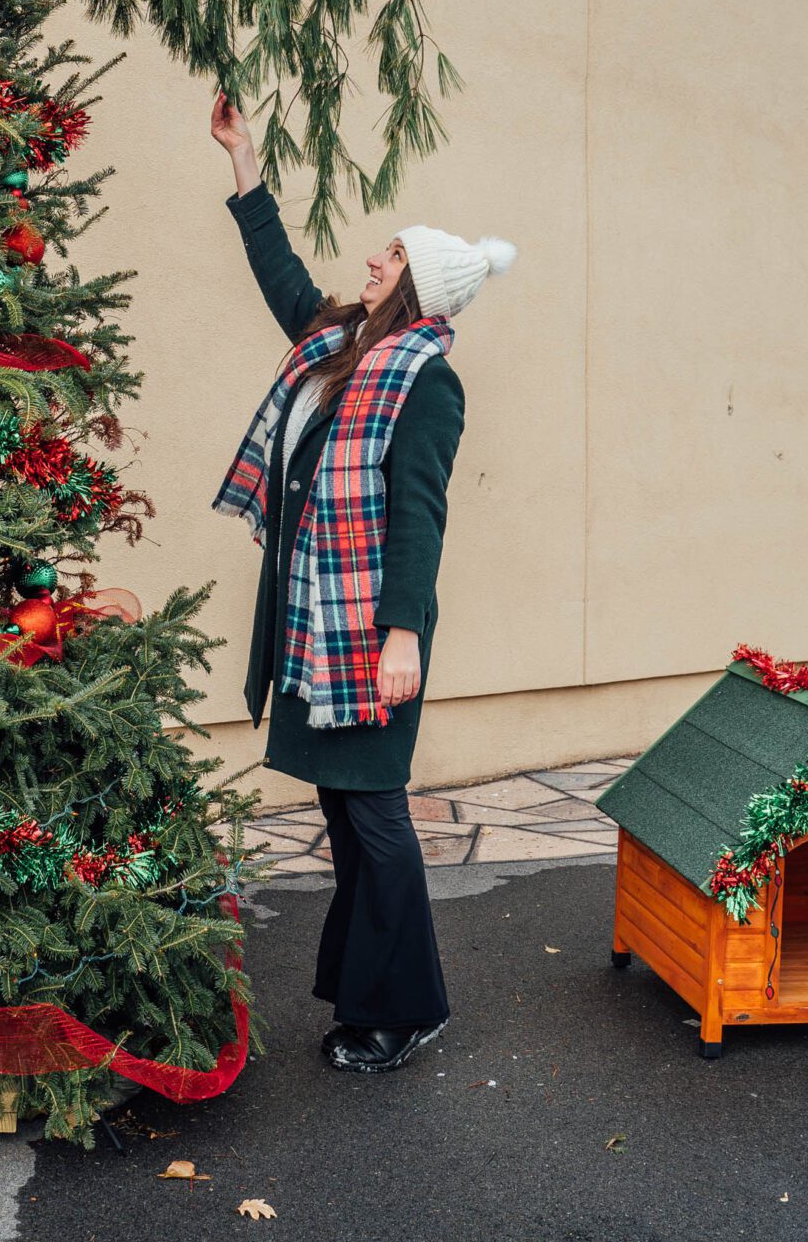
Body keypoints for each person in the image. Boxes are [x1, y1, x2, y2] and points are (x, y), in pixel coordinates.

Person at [208, 93, 517, 1073]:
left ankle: (408, 1008)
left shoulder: (426, 380)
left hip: (368, 634)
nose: (373, 259)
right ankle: (371, 1000)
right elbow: (281, 278)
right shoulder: (343, 345)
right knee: (346, 812)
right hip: (316, 626)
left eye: (391, 254)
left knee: (376, 814)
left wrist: (403, 635)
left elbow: (419, 516)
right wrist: (243, 159)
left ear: (417, 284)